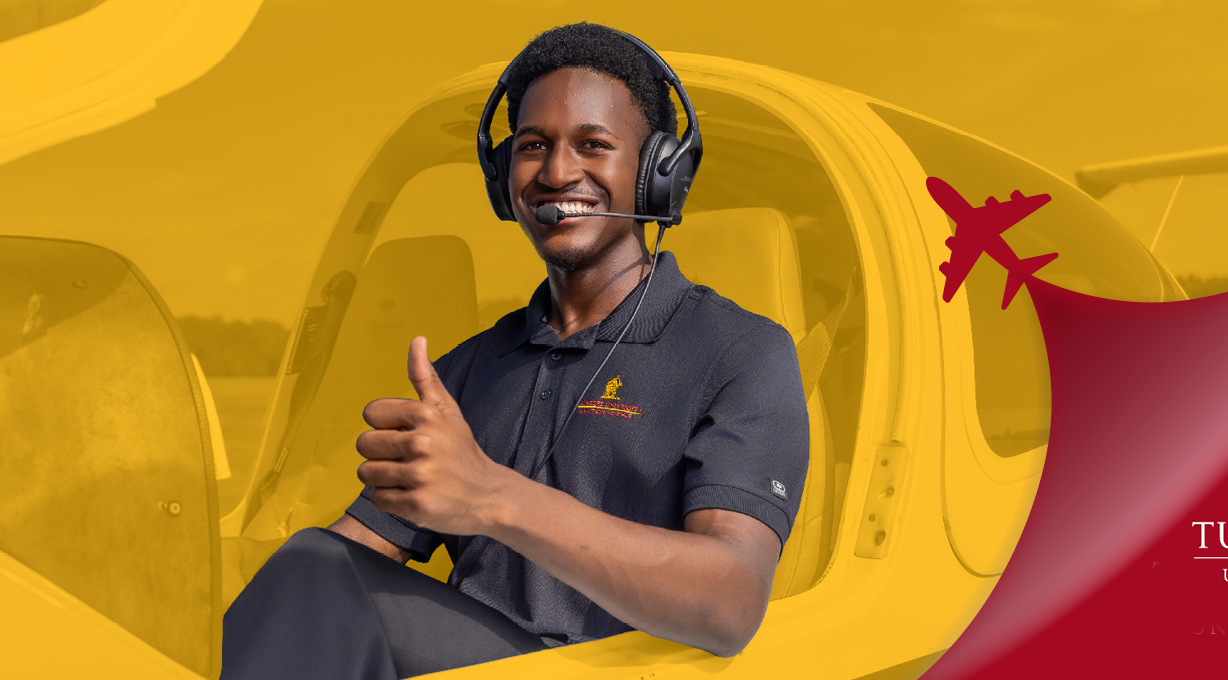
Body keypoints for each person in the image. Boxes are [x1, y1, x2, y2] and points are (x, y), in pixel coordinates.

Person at [219, 23, 809, 679]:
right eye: (533, 146)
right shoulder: (468, 369)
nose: (557, 172)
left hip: (615, 671)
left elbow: (730, 603)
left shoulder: (741, 351)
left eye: (593, 145)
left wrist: (493, 497)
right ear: (503, 178)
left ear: (656, 174)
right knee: (312, 564)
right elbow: (349, 558)